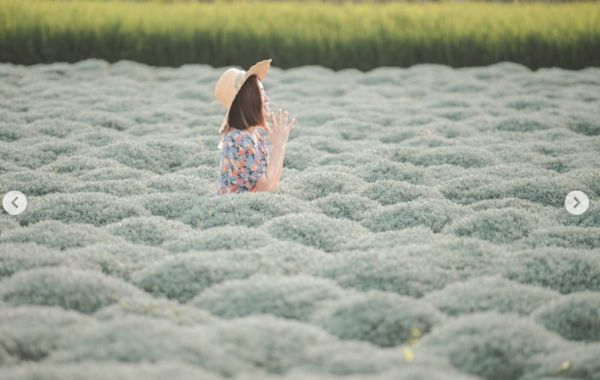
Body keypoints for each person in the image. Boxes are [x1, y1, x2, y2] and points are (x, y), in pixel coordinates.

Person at [214, 59, 296, 195]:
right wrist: (278, 146)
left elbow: (273, 183)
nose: (267, 98)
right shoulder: (238, 140)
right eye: (261, 92)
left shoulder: (255, 134)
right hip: (235, 212)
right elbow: (265, 187)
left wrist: (281, 144)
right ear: (248, 99)